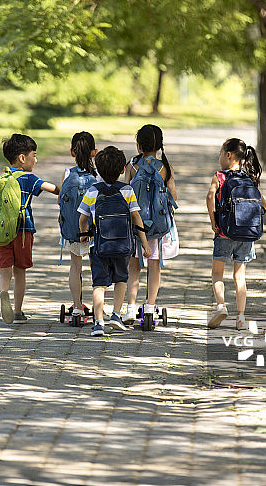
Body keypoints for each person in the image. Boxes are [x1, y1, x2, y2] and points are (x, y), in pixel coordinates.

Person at [78, 146, 152, 336]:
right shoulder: (127, 190)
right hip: (122, 245)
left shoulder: (93, 191)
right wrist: (144, 243)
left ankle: (98, 323)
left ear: (99, 170)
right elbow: (136, 218)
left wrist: (84, 234)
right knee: (121, 279)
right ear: (121, 170)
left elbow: (82, 218)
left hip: (99, 246)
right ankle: (116, 315)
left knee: (99, 284)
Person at [0, 133, 59, 324]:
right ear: (22, 158)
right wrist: (62, 190)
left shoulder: (3, 178)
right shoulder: (28, 178)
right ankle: (17, 312)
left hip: (2, 231)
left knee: (4, 269)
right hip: (23, 231)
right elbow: (50, 188)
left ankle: (3, 292)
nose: (36, 159)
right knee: (20, 270)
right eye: (34, 154)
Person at [205, 138, 266, 330]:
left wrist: (214, 221)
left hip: (224, 233)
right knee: (240, 277)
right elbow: (263, 204)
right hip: (246, 235)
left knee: (217, 274)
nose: (220, 157)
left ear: (228, 155)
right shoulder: (250, 179)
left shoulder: (220, 177)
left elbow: (209, 197)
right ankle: (241, 319)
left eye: (221, 154)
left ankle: (221, 306)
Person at [124, 124, 179, 325]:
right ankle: (149, 308)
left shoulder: (132, 166)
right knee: (154, 266)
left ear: (139, 145)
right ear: (159, 145)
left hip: (136, 226)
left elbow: (125, 193)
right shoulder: (165, 167)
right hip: (159, 226)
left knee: (134, 267)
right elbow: (173, 196)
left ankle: (130, 307)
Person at [58, 131, 99, 318]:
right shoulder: (99, 175)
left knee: (75, 265)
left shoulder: (67, 174)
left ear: (72, 152)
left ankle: (76, 307)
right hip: (95, 230)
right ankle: (99, 308)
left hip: (73, 229)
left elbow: (60, 201)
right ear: (94, 152)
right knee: (97, 266)